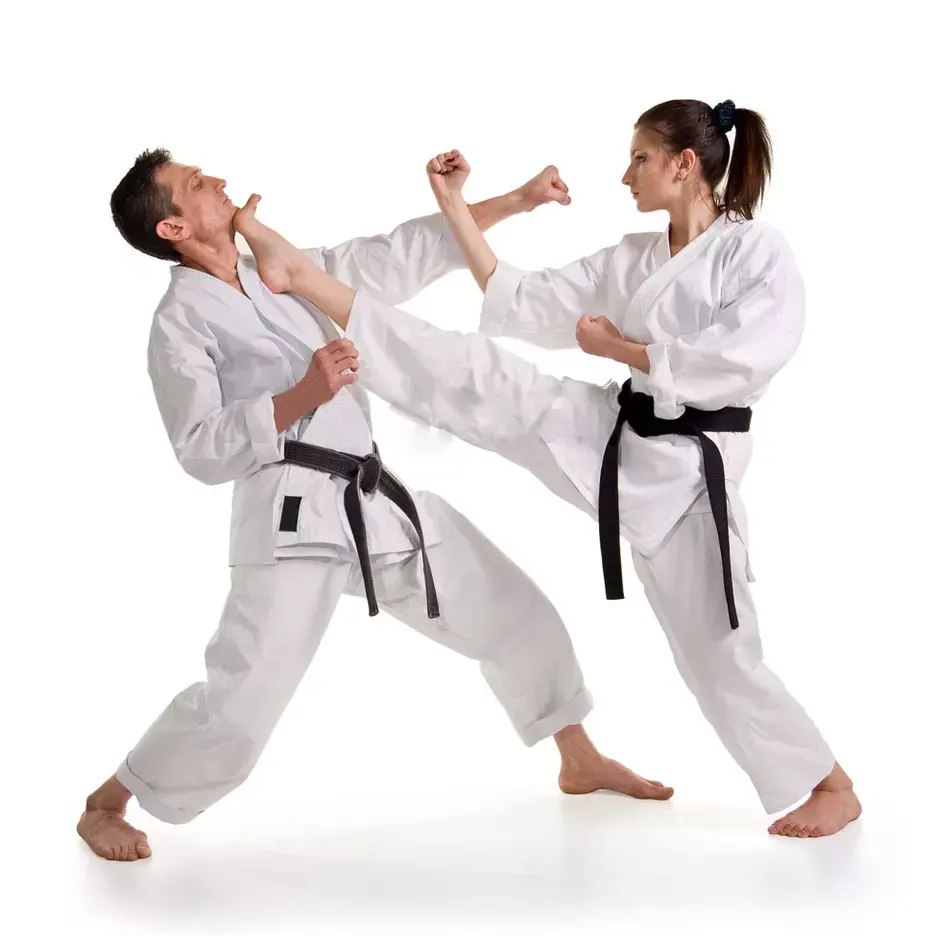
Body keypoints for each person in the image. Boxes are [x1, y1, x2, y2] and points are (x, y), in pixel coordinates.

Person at [230, 99, 862, 839]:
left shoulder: (755, 254)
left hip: (687, 481)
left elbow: (741, 359)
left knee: (719, 658)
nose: (626, 175)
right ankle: (307, 279)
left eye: (640, 158)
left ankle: (830, 784)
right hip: (615, 435)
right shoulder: (634, 257)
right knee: (481, 377)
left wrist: (620, 350)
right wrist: (454, 204)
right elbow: (522, 298)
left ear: (685, 164)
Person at [77, 149, 673, 863]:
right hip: (291, 519)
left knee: (512, 608)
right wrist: (303, 394)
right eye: (197, 184)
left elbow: (397, 256)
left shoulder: (280, 268)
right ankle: (108, 802)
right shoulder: (180, 321)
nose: (219, 181)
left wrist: (514, 201)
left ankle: (578, 757)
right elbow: (200, 447)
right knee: (242, 702)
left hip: (371, 499)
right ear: (173, 227)